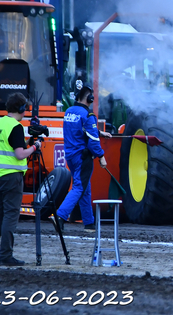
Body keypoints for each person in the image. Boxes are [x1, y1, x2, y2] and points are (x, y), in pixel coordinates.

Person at [0, 92, 41, 266]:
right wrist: (34, 147)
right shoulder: (15, 127)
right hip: (11, 177)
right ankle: (6, 255)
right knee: (10, 215)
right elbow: (19, 154)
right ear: (22, 109)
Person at [54, 83, 111, 233]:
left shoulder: (69, 112)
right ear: (90, 99)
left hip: (71, 156)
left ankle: (89, 223)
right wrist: (101, 156)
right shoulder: (89, 115)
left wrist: (99, 132)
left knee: (85, 188)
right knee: (79, 187)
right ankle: (60, 215)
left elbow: (80, 130)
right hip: (83, 158)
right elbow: (93, 143)